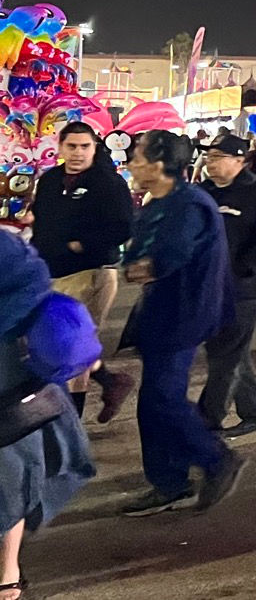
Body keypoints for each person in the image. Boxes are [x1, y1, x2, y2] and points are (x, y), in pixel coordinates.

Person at [119, 130, 249, 516]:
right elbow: (136, 256)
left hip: (183, 315)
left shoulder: (188, 204)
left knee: (163, 399)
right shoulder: (157, 202)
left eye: (138, 157)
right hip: (160, 314)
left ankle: (215, 460)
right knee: (153, 401)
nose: (132, 164)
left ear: (158, 165)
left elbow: (168, 256)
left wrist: (146, 267)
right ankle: (169, 480)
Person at [0, 228, 96, 596]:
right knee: (12, 474)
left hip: (10, 383)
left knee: (11, 474)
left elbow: (33, 282)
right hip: (14, 384)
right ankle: (7, 575)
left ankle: (8, 573)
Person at [27, 122, 135, 421]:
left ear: (94, 148)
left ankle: (69, 423)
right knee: (60, 344)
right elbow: (42, 225)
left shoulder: (108, 183)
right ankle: (111, 381)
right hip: (51, 274)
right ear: (60, 147)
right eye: (71, 146)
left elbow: (123, 227)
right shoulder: (49, 181)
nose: (77, 153)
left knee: (72, 349)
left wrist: (81, 244)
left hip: (91, 272)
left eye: (84, 146)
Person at [194, 133, 256, 437]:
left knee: (226, 353)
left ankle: (205, 420)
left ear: (239, 161)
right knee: (229, 351)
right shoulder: (203, 192)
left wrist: (243, 268)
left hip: (243, 287)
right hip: (208, 285)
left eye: (217, 157)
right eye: (208, 157)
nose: (210, 163)